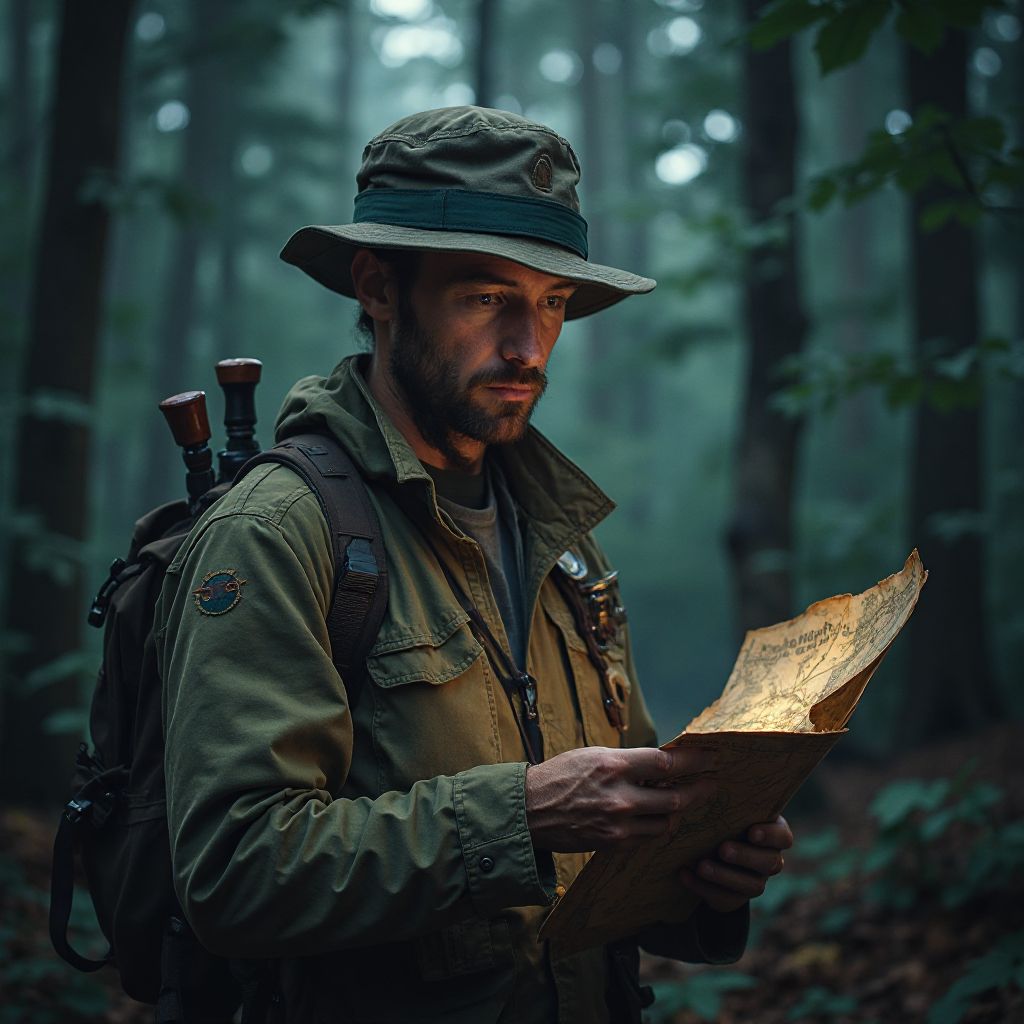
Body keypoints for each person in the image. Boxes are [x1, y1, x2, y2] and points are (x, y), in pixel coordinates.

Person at [156, 106, 793, 1024]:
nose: (530, 349)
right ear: (378, 286)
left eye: (554, 303)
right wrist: (521, 814)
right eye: (488, 297)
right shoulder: (280, 532)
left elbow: (614, 837)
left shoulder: (564, 538)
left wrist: (705, 871)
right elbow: (231, 873)